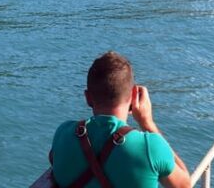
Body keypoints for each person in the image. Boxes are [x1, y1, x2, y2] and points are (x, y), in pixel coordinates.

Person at [49, 51, 191, 188]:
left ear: (87, 98)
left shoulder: (63, 133)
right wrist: (147, 123)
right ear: (133, 96)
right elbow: (185, 185)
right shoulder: (150, 147)